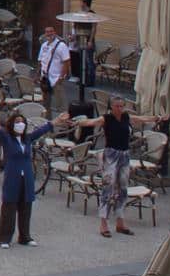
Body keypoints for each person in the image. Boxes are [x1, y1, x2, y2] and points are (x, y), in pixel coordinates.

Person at [69, 96, 160, 238]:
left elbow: (141, 119)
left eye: (121, 106)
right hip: (111, 155)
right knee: (108, 186)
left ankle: (120, 221)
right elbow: (91, 122)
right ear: (111, 107)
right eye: (116, 106)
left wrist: (156, 118)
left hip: (124, 155)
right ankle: (103, 223)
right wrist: (77, 122)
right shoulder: (106, 118)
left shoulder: (126, 117)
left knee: (123, 187)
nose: (119, 108)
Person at [0, 108, 70, 248]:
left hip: (27, 176)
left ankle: (25, 236)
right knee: (9, 206)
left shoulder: (27, 138)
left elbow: (42, 130)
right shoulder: (7, 137)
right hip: (13, 176)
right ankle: (4, 238)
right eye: (17, 122)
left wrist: (57, 120)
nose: (20, 124)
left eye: (22, 122)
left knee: (26, 205)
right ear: (12, 124)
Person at [37, 26, 72, 113]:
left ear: (55, 33)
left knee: (61, 104)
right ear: (45, 34)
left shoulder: (61, 46)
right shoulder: (44, 45)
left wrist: (61, 77)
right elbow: (40, 61)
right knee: (45, 103)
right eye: (47, 32)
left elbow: (67, 62)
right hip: (44, 78)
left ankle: (63, 124)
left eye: (51, 31)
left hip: (56, 78)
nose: (49, 33)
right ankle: (48, 122)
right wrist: (38, 74)